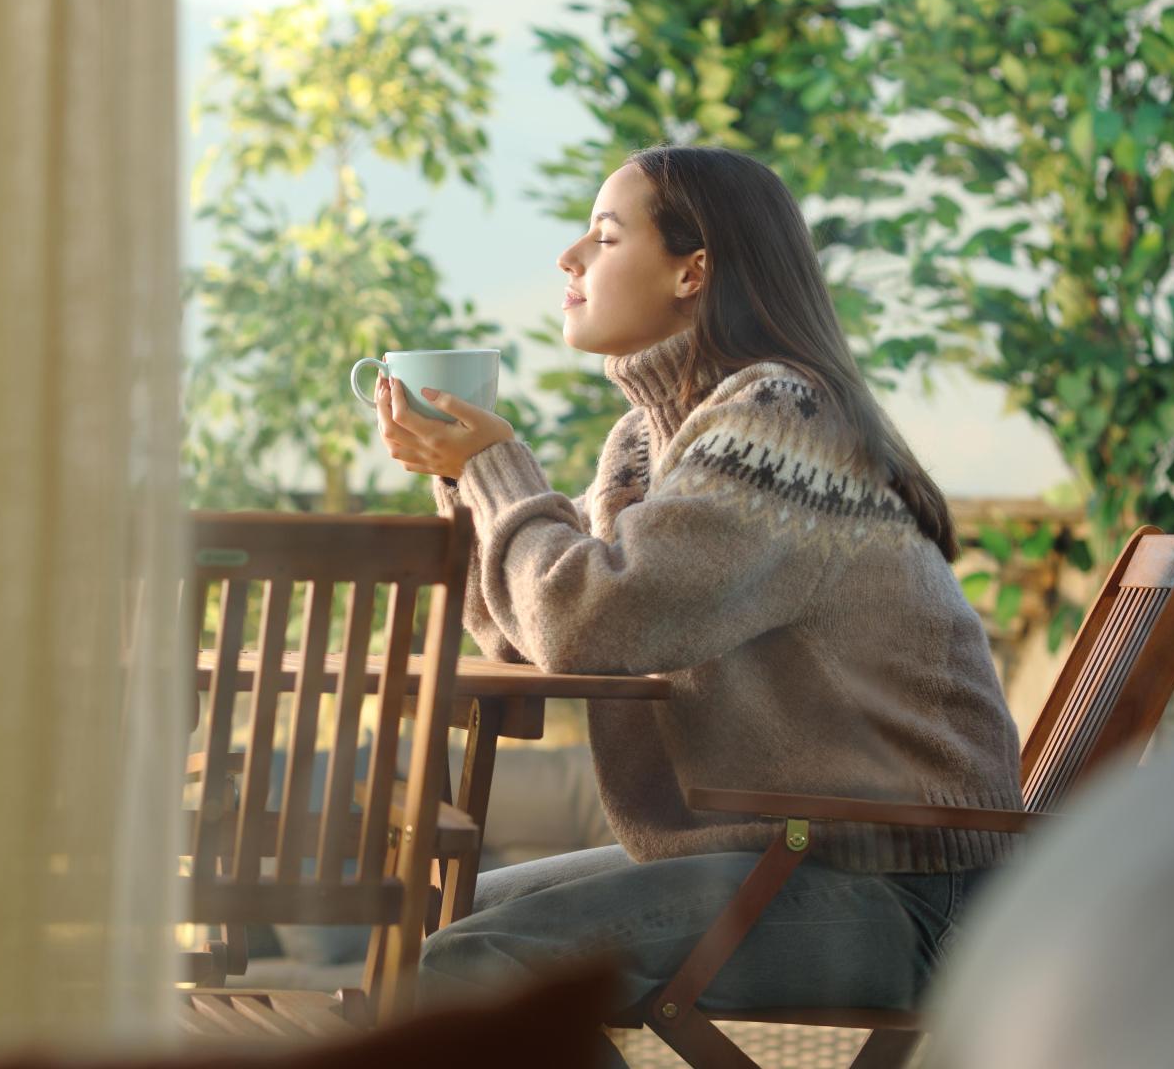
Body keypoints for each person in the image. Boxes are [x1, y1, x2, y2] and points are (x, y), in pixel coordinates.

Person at [370, 145, 1022, 1060]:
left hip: (901, 888)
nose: (569, 260)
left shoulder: (783, 420)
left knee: (473, 967)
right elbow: (531, 638)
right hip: (787, 858)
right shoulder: (646, 443)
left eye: (602, 236)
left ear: (693, 269)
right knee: (438, 934)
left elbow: (587, 621)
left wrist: (493, 466)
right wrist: (463, 480)